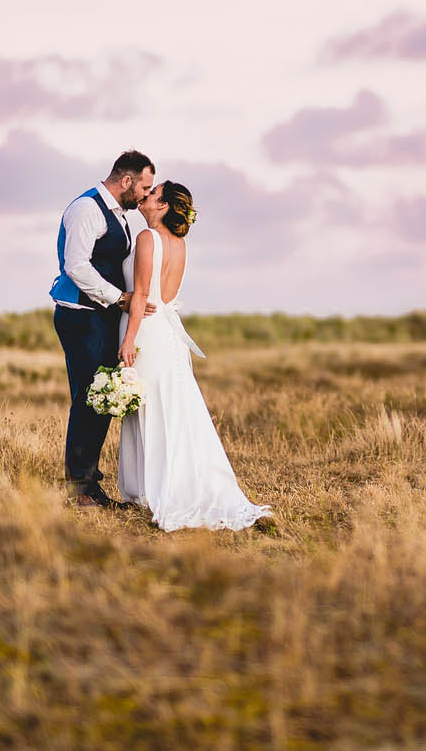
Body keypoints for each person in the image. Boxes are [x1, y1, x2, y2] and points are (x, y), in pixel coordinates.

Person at [117, 181, 274, 532]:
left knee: (149, 406)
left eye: (152, 193)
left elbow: (142, 295)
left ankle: (158, 489)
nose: (145, 196)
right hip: (168, 333)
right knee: (170, 407)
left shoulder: (147, 239)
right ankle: (161, 483)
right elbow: (165, 295)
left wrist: (128, 340)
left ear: (164, 208)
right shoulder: (180, 245)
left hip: (145, 331)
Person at [50, 151, 156, 508]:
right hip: (82, 316)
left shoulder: (118, 214)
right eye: (144, 187)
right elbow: (76, 266)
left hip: (102, 315)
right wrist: (120, 298)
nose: (145, 195)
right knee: (87, 399)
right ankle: (78, 488)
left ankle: (89, 483)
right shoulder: (86, 210)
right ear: (125, 181)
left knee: (102, 398)